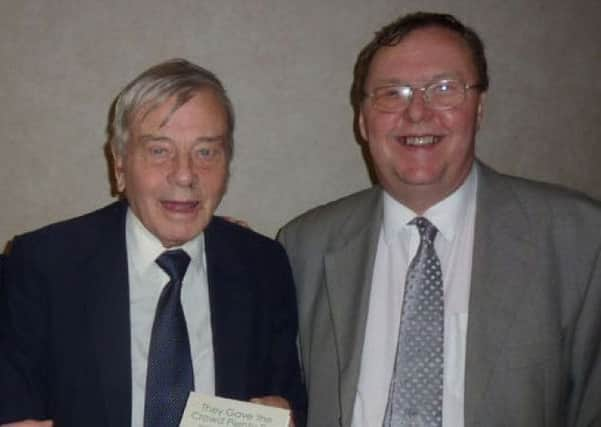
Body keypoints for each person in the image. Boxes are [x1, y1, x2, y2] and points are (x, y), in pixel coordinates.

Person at [278, 12, 601, 427]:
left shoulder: (579, 239)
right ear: (362, 119)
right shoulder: (302, 245)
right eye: (392, 93)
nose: (417, 113)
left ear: (480, 108)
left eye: (445, 89)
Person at [0, 59, 306, 427]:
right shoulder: (42, 265)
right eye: (159, 150)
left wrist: (287, 416)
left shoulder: (263, 265)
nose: (184, 174)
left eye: (206, 151)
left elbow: (290, 396)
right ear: (119, 164)